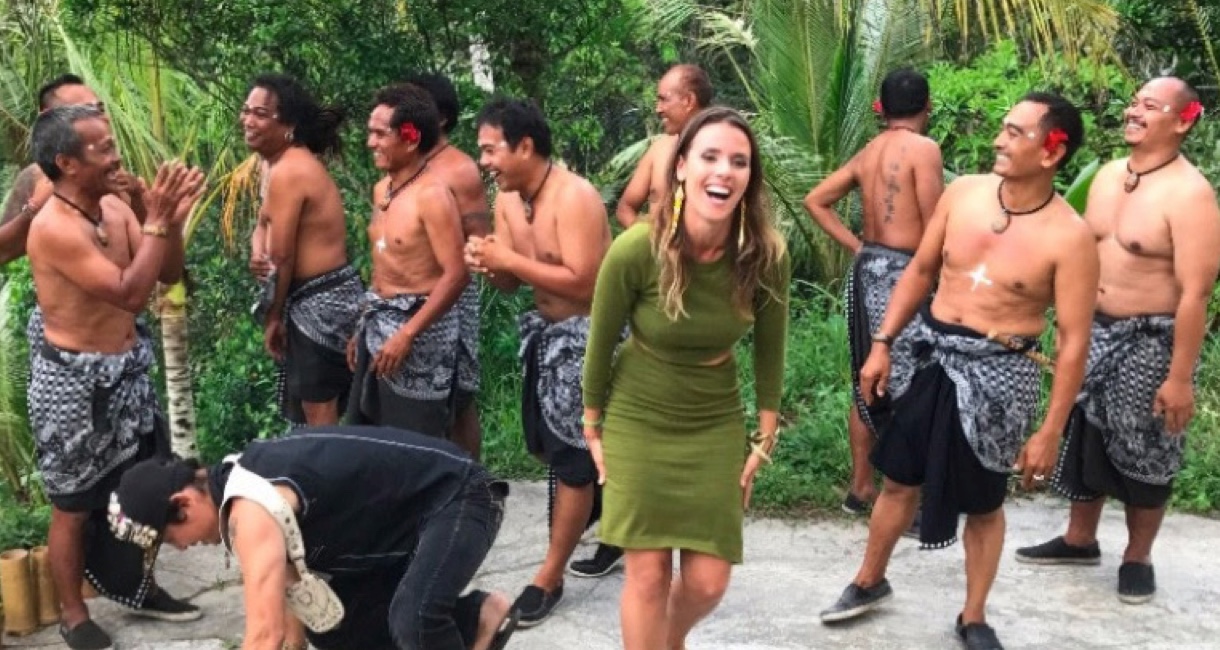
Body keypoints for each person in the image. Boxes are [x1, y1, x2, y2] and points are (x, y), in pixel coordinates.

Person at [817, 92, 1097, 650]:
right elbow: (920, 270)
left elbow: (1073, 344)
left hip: (1000, 377)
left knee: (986, 503)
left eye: (1016, 133)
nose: (999, 139)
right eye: (1004, 128)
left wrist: (1050, 431)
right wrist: (882, 344)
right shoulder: (963, 194)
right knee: (899, 478)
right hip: (931, 356)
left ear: (1051, 152)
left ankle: (973, 616)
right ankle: (869, 581)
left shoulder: (1070, 237)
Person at [582, 106, 790, 650]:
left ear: (750, 178)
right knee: (647, 576)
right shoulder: (637, 250)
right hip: (638, 414)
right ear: (680, 168)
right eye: (710, 157)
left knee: (707, 581)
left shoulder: (764, 254)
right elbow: (600, 342)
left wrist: (765, 433)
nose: (723, 171)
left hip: (714, 418)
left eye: (738, 162)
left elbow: (771, 348)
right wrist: (592, 425)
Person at [1016, 78, 1220, 605]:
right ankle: (1079, 539)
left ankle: (1138, 556)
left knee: (1148, 449)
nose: (1133, 111)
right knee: (1084, 433)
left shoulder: (1191, 194)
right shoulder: (1108, 175)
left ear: (1181, 121)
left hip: (1151, 341)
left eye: (1149, 106)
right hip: (1093, 331)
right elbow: (1079, 252)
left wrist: (1179, 378)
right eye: (1133, 101)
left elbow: (1196, 294)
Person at [25, 104, 206, 650]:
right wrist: (153, 219)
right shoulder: (53, 227)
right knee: (74, 506)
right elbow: (128, 291)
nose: (116, 154)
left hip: (127, 370)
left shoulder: (112, 205)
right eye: (101, 148)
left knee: (142, 488)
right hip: (73, 388)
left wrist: (165, 219)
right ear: (67, 163)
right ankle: (73, 613)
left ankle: (138, 585)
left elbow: (166, 272)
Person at [106, 425, 519, 650]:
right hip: (404, 529)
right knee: (333, 627)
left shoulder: (248, 513)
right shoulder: (242, 485)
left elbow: (262, 638)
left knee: (414, 619)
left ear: (183, 504)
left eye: (171, 538)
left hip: (460, 495)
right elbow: (289, 627)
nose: (181, 547)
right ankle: (475, 617)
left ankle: (479, 624)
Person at [464, 98, 611, 627]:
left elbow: (586, 281)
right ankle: (611, 523)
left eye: (490, 150)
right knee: (550, 450)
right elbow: (511, 280)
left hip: (591, 337)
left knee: (573, 462)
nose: (485, 162)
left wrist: (510, 261)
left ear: (525, 146)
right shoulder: (506, 200)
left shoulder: (575, 197)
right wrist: (487, 264)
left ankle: (549, 576)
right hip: (546, 336)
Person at [804, 68, 943, 515]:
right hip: (908, 272)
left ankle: (861, 486)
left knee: (868, 376)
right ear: (928, 106)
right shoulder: (924, 150)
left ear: (880, 109)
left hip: (867, 270)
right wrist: (938, 279)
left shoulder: (870, 151)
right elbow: (935, 226)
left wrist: (858, 246)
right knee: (912, 381)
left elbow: (815, 200)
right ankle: (909, 499)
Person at [346, 83, 468, 437]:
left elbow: (456, 275)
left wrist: (407, 334)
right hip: (379, 330)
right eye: (370, 132)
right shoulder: (381, 189)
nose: (371, 143)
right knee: (371, 442)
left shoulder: (433, 196)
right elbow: (383, 263)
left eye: (379, 134)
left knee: (416, 448)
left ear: (411, 139)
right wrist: (363, 326)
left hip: (420, 338)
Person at [244, 73, 362, 427]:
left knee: (319, 413)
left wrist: (273, 315)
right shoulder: (273, 166)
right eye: (246, 110)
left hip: (321, 303)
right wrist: (257, 250)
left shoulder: (291, 170)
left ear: (288, 125)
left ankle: (328, 481)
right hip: (311, 299)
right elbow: (264, 225)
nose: (248, 120)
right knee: (312, 415)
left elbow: (282, 258)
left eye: (261, 114)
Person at [403, 72, 490, 459]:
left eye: (415, 108)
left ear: (439, 118)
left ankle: (471, 483)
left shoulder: (458, 169)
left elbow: (478, 243)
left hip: (453, 297)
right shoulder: (405, 164)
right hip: (407, 298)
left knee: (459, 396)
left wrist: (449, 287)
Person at [2, 74, 143, 264]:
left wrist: (139, 198)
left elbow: (149, 247)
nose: (100, 118)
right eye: (82, 111)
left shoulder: (113, 171)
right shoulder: (35, 177)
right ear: (48, 116)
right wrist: (33, 210)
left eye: (98, 108)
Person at [614, 64, 713, 229]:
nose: (658, 109)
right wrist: (651, 243)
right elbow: (625, 209)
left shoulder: (724, 156)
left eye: (663, 99)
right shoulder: (658, 150)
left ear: (688, 101)